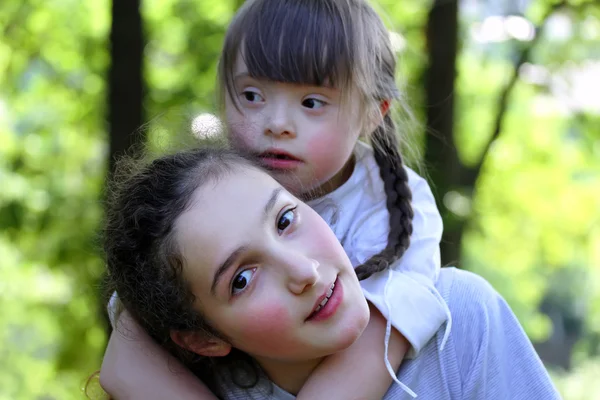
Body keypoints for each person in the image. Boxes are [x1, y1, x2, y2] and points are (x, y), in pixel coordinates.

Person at [101, 0, 449, 398]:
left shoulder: (393, 209)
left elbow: (374, 346)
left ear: (373, 113)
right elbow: (125, 360)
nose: (276, 124)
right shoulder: (206, 203)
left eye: (311, 102)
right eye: (251, 95)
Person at [103, 147, 560, 400]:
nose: (303, 270)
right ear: (203, 339)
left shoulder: (459, 321)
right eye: (241, 279)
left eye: (285, 220)